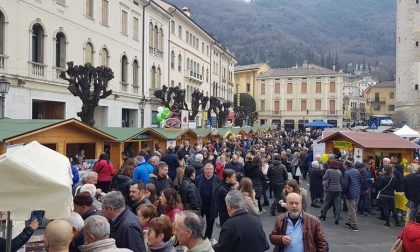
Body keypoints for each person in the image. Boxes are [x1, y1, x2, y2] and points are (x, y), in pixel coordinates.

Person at [197, 163, 220, 239]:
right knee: (197, 223)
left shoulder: (217, 179)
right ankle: (198, 238)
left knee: (210, 225)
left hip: (212, 206)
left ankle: (207, 239)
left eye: (211, 169)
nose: (209, 170)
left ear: (213, 170)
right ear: (204, 170)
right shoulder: (199, 178)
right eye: (207, 169)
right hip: (200, 206)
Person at [319, 159, 342, 225]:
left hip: (330, 189)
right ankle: (336, 218)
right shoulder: (339, 171)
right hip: (338, 189)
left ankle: (324, 215)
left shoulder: (329, 171)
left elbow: (324, 178)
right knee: (337, 204)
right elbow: (341, 181)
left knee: (327, 202)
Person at [342, 160, 362, 231]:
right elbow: (360, 181)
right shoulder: (356, 171)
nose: (343, 165)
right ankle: (349, 222)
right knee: (353, 208)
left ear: (346, 165)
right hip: (357, 192)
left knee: (352, 209)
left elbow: (345, 185)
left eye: (343, 164)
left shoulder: (346, 173)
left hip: (350, 193)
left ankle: (355, 225)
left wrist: (343, 193)